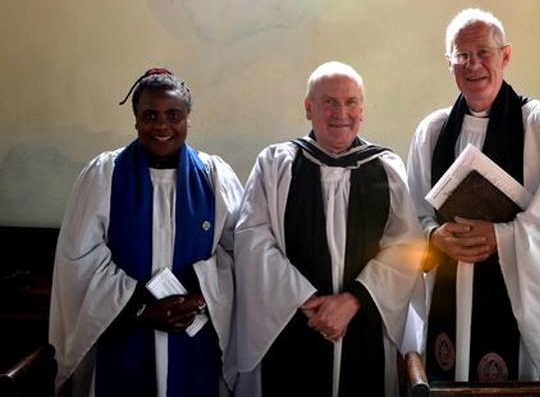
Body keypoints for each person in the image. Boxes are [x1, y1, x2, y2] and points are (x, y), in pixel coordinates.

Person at [406, 8, 540, 382]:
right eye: (462, 55)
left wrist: (502, 236)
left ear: (505, 56)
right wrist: (434, 236)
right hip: (450, 300)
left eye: (483, 52)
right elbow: (411, 215)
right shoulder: (432, 132)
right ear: (449, 62)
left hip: (515, 308)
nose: (473, 64)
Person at [234, 61, 425, 397]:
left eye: (351, 102)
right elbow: (253, 237)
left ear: (362, 110)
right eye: (329, 102)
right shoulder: (276, 164)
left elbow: (407, 246)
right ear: (309, 108)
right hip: (293, 323)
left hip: (364, 323)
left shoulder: (385, 168)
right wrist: (306, 300)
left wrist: (353, 300)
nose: (341, 112)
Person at [48, 68, 244, 396]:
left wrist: (199, 299)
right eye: (150, 115)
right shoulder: (104, 176)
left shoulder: (215, 177)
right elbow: (79, 260)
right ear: (136, 120)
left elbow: (238, 252)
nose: (162, 126)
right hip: (124, 333)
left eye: (174, 115)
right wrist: (140, 308)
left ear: (188, 119)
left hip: (194, 336)